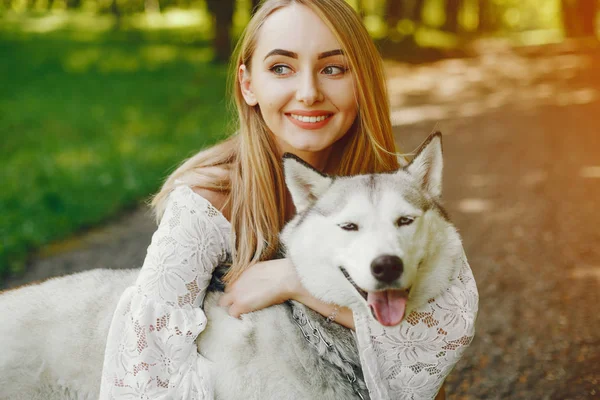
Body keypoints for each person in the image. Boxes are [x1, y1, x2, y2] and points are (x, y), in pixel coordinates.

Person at [99, 0, 478, 399]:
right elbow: (141, 371)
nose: (309, 93)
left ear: (362, 80)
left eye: (333, 68)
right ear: (248, 84)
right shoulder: (206, 203)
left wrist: (295, 281)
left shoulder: (391, 183)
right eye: (282, 68)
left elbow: (447, 328)